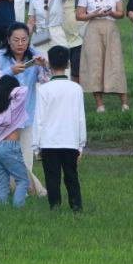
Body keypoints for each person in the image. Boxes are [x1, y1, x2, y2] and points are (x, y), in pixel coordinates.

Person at [0, 23, 50, 196]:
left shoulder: (34, 55)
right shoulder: (0, 56)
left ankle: (24, 190)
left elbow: (46, 81)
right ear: (9, 40)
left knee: (26, 156)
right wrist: (10, 71)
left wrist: (44, 66)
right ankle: (21, 189)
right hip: (5, 116)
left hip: (26, 114)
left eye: (24, 40)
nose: (20, 44)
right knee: (8, 156)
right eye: (16, 40)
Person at [34, 45, 86, 211]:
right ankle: (76, 206)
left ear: (49, 64)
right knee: (72, 176)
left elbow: (39, 120)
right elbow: (80, 118)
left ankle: (54, 207)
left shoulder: (43, 89)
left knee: (52, 177)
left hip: (49, 142)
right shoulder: (76, 89)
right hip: (70, 141)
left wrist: (36, 146)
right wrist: (81, 144)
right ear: (69, 64)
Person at [75, 0, 127, 112]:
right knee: (95, 64)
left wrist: (110, 13)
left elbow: (121, 13)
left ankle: (124, 103)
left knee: (115, 61)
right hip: (93, 29)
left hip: (110, 28)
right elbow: (79, 15)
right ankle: (99, 104)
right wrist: (94, 14)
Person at [0, 74, 31, 208]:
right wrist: (8, 89)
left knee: (2, 182)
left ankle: (2, 209)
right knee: (22, 180)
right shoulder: (14, 106)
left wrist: (1, 89)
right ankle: (18, 208)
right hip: (11, 147)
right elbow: (24, 90)